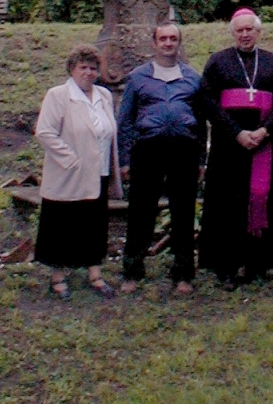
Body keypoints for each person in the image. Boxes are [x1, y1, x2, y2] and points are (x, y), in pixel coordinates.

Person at [198, 8, 273, 288]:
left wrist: (264, 131)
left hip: (263, 144)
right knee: (227, 204)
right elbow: (208, 101)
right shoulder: (218, 61)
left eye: (250, 29)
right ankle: (226, 266)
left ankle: (259, 263)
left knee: (260, 199)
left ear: (259, 32)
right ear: (233, 33)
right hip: (229, 146)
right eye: (240, 30)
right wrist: (236, 132)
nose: (245, 34)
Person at [117, 22, 205, 295]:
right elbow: (125, 121)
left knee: (183, 212)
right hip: (148, 148)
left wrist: (202, 159)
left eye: (173, 39)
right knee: (140, 212)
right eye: (163, 39)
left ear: (180, 43)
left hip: (184, 149)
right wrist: (124, 159)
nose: (168, 43)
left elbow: (202, 122)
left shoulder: (193, 78)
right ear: (154, 43)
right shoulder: (138, 77)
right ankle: (132, 271)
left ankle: (183, 274)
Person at [34, 44, 122, 300]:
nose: (89, 73)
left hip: (99, 172)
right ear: (72, 69)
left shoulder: (104, 96)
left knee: (94, 224)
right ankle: (58, 278)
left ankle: (95, 274)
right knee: (63, 223)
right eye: (83, 67)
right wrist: (71, 159)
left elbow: (108, 131)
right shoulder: (58, 95)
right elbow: (45, 132)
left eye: (94, 68)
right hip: (68, 173)